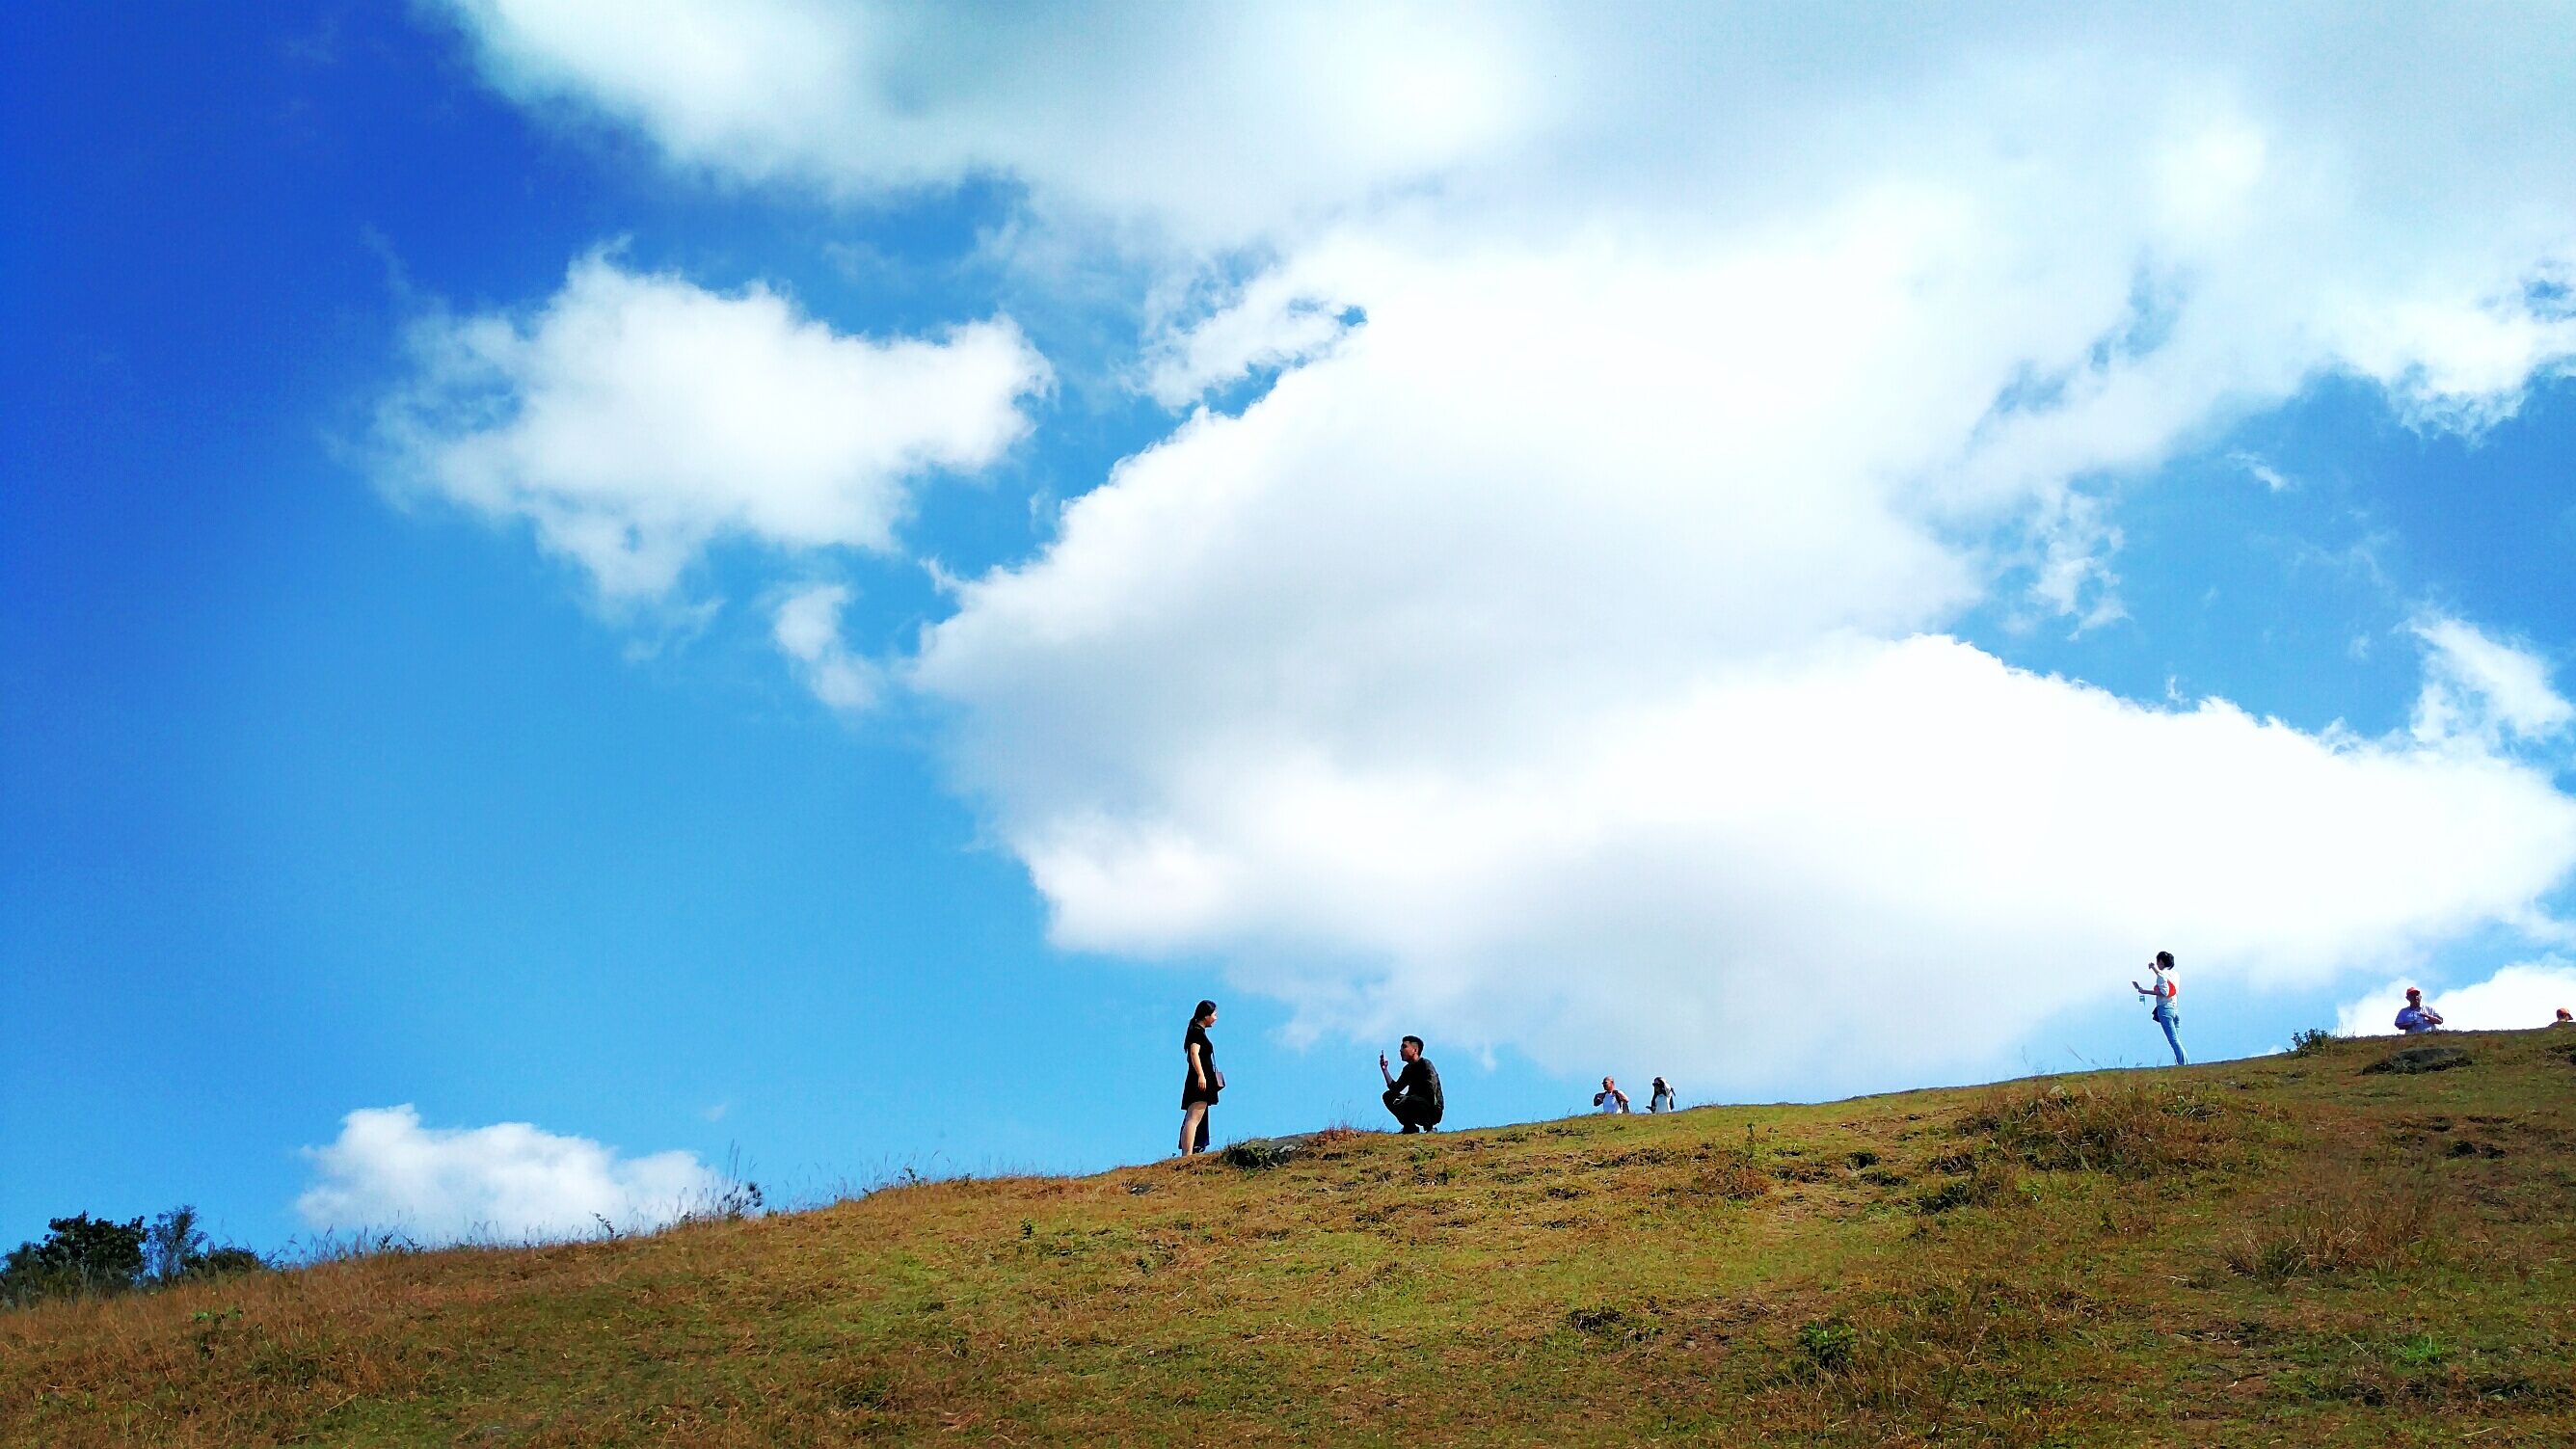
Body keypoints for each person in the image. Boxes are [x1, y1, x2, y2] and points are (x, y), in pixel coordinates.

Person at [1179, 1000, 1223, 1155]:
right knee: (1193, 1118)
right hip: (1199, 1079)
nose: (1216, 1018)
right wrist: (1201, 1076)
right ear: (1206, 1016)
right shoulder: (1196, 1032)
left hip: (1200, 1078)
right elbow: (1194, 1053)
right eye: (1214, 1015)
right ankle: (1188, 1153)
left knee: (1194, 1117)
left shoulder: (1197, 1031)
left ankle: (1190, 1151)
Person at [1380, 1035, 1443, 1133]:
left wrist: (1407, 1099)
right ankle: (1410, 1127)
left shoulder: (1425, 1065)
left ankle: (1430, 1128)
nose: (1401, 1050)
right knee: (1388, 1096)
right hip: (1412, 1104)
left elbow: (1432, 1089)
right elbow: (1395, 1088)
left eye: (1404, 1047)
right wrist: (1385, 1069)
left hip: (1431, 1108)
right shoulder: (1407, 1069)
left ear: (1415, 1050)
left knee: (1411, 1100)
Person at [2132, 951, 2185, 1065]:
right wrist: (2154, 969)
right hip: (2175, 1008)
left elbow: (2164, 992)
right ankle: (2182, 1063)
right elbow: (2164, 977)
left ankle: (2184, 1064)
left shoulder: (2161, 975)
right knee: (2177, 1040)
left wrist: (2144, 991)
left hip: (2165, 1009)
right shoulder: (2175, 974)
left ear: (2160, 961)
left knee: (2173, 1040)